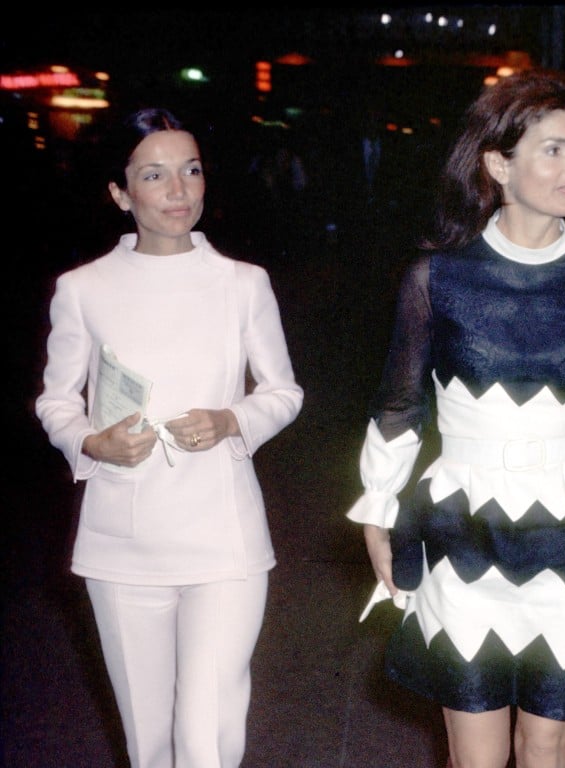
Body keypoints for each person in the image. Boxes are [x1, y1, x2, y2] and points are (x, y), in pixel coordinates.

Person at [347, 68, 565, 768]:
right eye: (555, 149)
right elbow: (401, 406)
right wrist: (377, 513)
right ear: (499, 164)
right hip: (462, 526)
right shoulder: (435, 279)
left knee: (550, 741)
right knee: (475, 747)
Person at [35, 107, 303, 768]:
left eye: (190, 171)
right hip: (122, 540)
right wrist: (90, 442)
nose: (179, 191)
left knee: (204, 735)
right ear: (122, 194)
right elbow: (56, 400)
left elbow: (283, 391)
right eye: (155, 176)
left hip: (223, 537)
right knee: (149, 743)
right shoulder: (83, 289)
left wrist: (230, 420)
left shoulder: (243, 285)